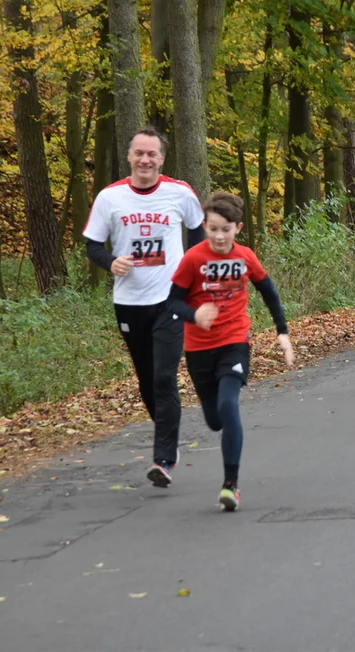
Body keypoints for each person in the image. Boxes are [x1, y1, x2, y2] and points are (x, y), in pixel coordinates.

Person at [83, 127, 205, 488]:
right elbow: (92, 246)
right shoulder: (110, 197)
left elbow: (198, 232)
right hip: (129, 303)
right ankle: (167, 434)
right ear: (129, 156)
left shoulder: (180, 192)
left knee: (165, 376)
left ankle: (163, 458)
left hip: (170, 299)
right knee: (147, 380)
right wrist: (111, 262)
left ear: (162, 158)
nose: (145, 159)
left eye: (152, 154)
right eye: (139, 153)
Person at [168, 192, 295, 510]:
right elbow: (171, 302)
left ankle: (230, 485)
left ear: (237, 228)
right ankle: (226, 445)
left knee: (228, 405)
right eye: (213, 229)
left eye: (226, 229)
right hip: (198, 348)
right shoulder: (193, 259)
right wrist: (193, 315)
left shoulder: (245, 257)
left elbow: (269, 291)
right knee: (213, 419)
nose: (219, 236)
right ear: (206, 227)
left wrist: (282, 332)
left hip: (234, 342)